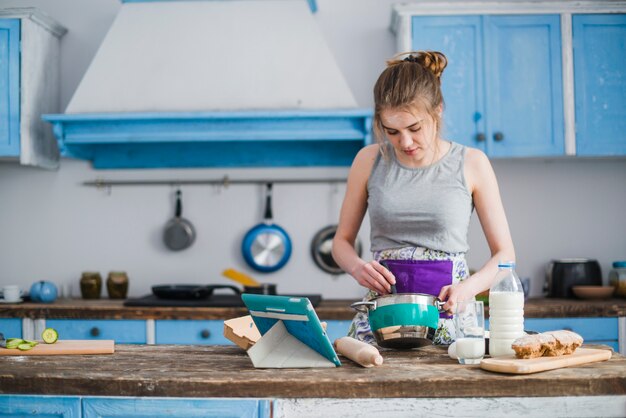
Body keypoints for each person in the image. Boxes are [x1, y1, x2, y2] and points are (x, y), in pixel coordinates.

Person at [332, 51, 515, 345]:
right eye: (391, 131)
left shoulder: (471, 162)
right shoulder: (368, 160)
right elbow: (341, 242)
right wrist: (356, 267)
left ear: (438, 110)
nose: (404, 142)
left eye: (414, 128)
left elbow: (505, 255)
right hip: (382, 320)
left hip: (451, 318)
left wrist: (468, 288)